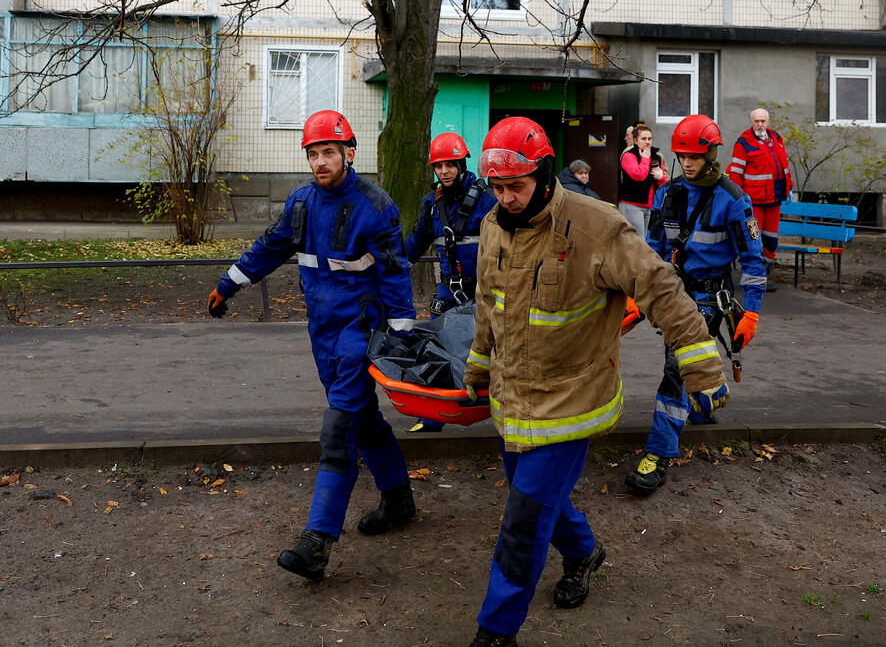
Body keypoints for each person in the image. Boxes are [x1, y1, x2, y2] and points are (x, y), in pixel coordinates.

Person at [464, 116, 730, 647]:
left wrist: (702, 367)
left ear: (542, 174)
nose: (506, 198)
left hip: (571, 400)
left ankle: (497, 631)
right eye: (496, 187)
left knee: (523, 519)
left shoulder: (596, 226)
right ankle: (584, 553)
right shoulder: (494, 224)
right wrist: (478, 364)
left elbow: (661, 288)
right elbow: (488, 305)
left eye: (515, 186)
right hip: (513, 398)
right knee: (535, 498)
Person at [207, 110, 418, 581]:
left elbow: (396, 274)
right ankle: (399, 499)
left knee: (338, 430)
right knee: (363, 421)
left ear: (349, 154)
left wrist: (402, 336)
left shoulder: (374, 205)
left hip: (358, 334)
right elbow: (270, 246)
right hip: (321, 332)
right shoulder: (301, 203)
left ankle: (317, 541)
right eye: (313, 154)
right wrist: (231, 283)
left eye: (328, 152)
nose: (320, 161)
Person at [625, 114, 767, 496]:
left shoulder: (734, 201)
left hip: (710, 299)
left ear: (711, 153)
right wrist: (639, 299)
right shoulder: (668, 194)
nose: (687, 163)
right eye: (682, 155)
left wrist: (750, 311)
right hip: (674, 296)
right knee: (681, 364)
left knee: (676, 368)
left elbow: (753, 262)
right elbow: (653, 252)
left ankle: (658, 452)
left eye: (695, 156)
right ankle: (704, 404)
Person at [403, 132, 497, 433]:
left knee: (494, 348)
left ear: (461, 163)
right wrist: (392, 268)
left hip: (487, 290)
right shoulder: (432, 205)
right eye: (439, 166)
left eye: (450, 165)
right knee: (435, 348)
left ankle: (499, 410)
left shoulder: (488, 200)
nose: (444, 171)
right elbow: (415, 244)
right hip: (449, 288)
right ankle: (432, 417)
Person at [725, 107, 793, 292]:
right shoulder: (744, 143)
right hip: (753, 202)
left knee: (770, 241)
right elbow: (736, 175)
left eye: (763, 121)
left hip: (775, 200)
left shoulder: (777, 139)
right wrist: (737, 200)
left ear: (768, 122)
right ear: (751, 123)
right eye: (757, 121)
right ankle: (752, 278)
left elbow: (784, 166)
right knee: (752, 240)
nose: (760, 125)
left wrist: (790, 186)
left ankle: (762, 276)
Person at [618, 122, 666, 236]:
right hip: (631, 204)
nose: (647, 142)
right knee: (637, 241)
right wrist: (645, 158)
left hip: (650, 206)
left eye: (649, 138)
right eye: (643, 138)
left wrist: (661, 177)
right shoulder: (629, 155)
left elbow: (664, 183)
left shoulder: (656, 156)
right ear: (635, 140)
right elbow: (639, 176)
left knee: (646, 241)